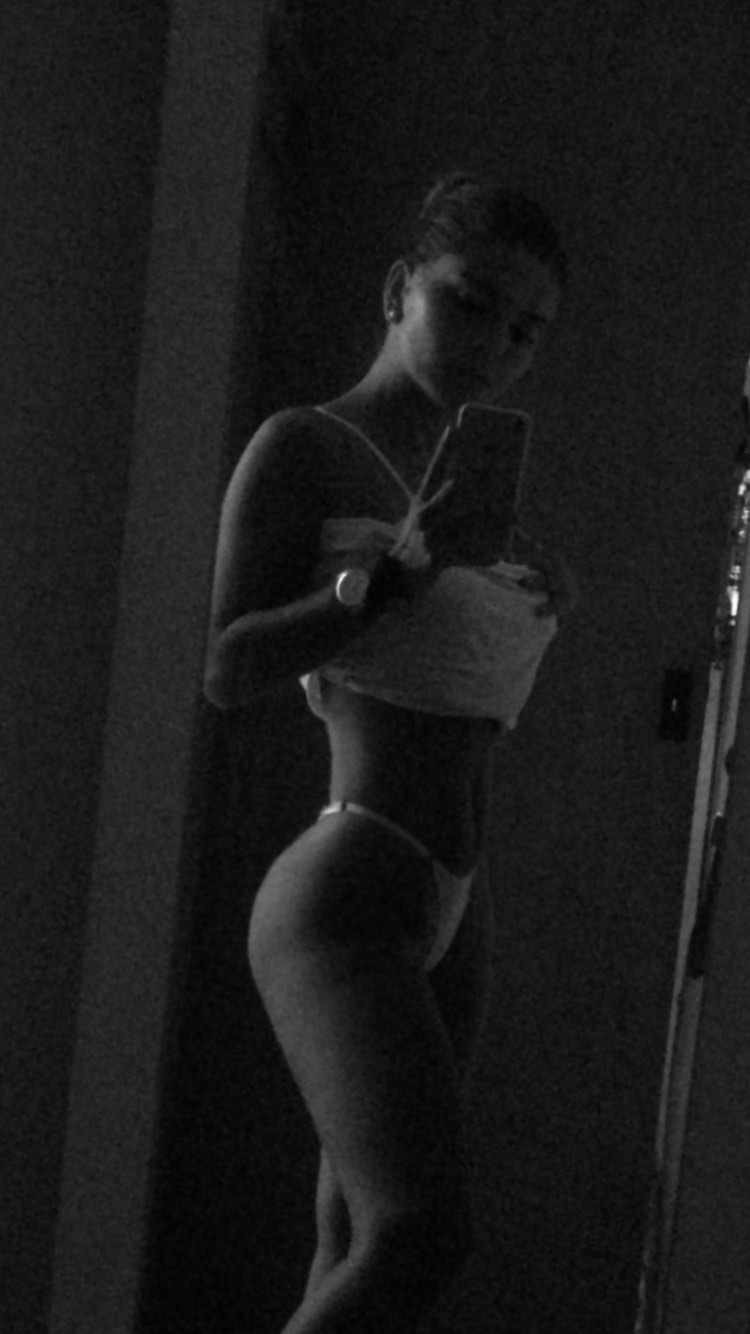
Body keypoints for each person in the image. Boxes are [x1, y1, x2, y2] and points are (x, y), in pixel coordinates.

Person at [203, 170, 576, 1334]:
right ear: (399, 287)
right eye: (471, 302)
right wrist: (381, 585)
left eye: (526, 330)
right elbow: (228, 665)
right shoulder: (306, 446)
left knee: (354, 1237)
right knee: (422, 1235)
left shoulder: (475, 503)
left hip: (452, 898)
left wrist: (534, 589)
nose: (496, 345)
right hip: (349, 883)